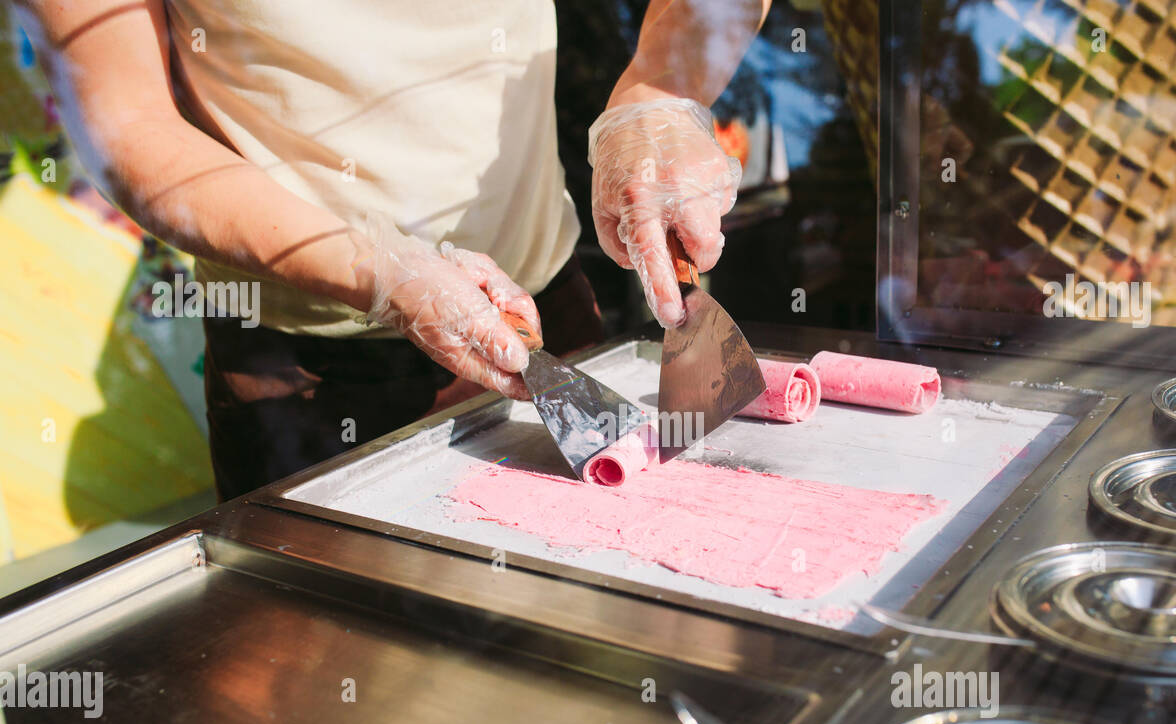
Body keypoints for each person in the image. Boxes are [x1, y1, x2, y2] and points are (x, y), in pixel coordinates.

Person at [19, 0, 768, 498]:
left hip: (548, 324)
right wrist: (380, 272)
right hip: (305, 374)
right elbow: (124, 124)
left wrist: (661, 93)